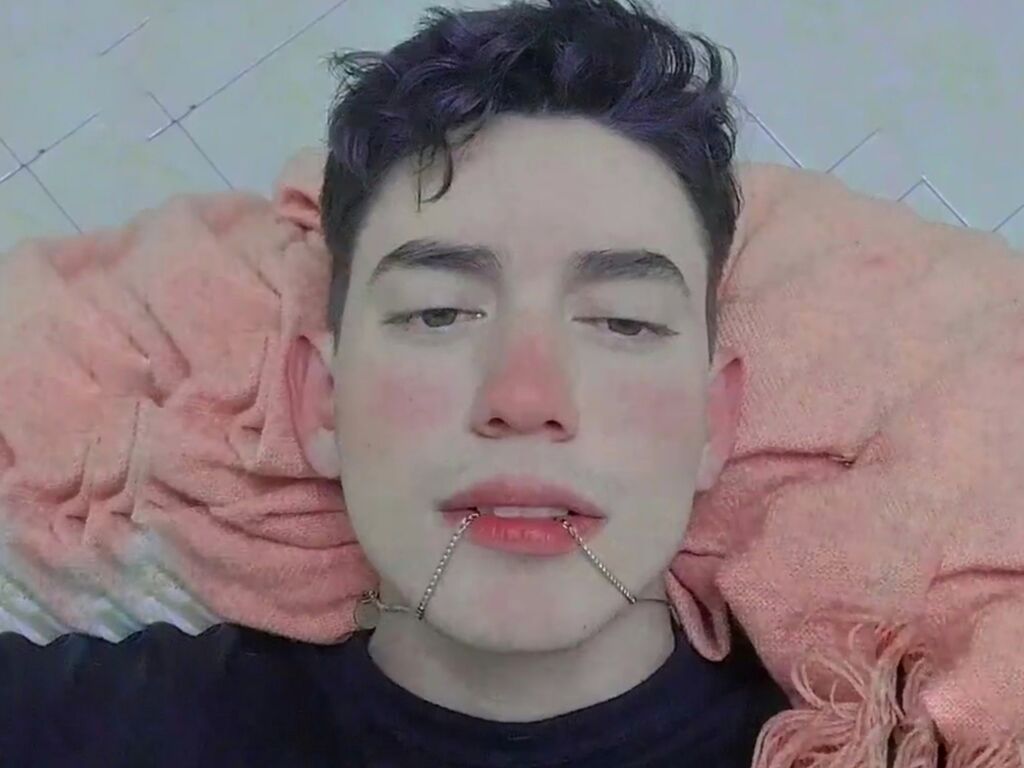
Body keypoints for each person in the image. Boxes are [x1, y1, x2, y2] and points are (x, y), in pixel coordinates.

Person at [0, 1, 790, 766]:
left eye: (623, 322)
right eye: (439, 314)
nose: (525, 400)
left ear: (714, 422)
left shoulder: (841, 741)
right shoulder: (101, 730)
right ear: (321, 401)